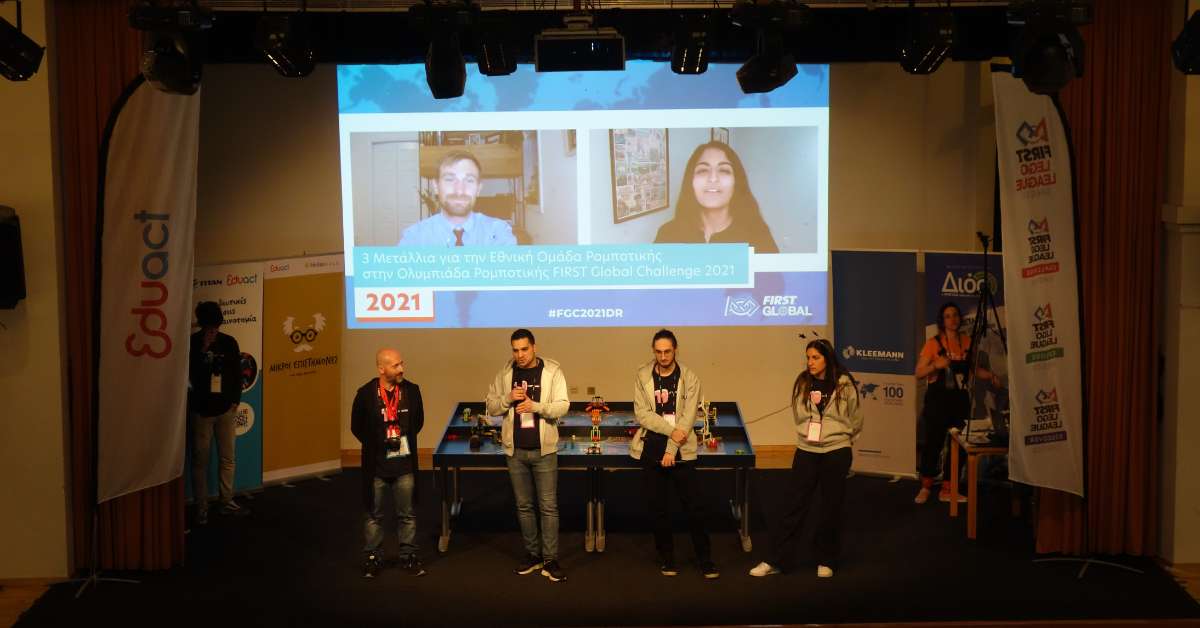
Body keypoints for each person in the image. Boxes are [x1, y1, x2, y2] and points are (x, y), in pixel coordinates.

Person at [749, 339, 863, 579]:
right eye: (808, 357)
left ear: (827, 359)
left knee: (831, 507)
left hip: (836, 451)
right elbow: (798, 416)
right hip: (807, 450)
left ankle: (826, 559)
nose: (810, 362)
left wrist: (842, 439)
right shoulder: (803, 383)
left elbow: (856, 418)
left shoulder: (844, 384)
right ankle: (776, 559)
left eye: (815, 358)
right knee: (793, 505)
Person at [630, 329, 719, 579]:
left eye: (667, 351)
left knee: (694, 508)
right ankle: (667, 559)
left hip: (682, 448)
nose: (663, 356)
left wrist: (671, 447)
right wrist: (671, 432)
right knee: (658, 509)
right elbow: (642, 414)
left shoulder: (690, 378)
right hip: (652, 445)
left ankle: (705, 560)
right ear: (653, 351)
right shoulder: (642, 376)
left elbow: (688, 418)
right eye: (658, 352)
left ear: (675, 350)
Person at [485, 329, 570, 582]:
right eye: (515, 350)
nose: (520, 355)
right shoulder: (505, 373)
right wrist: (507, 398)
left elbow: (563, 405)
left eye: (524, 349)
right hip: (516, 451)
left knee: (548, 507)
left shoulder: (552, 371)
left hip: (544, 450)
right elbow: (491, 406)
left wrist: (536, 407)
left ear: (534, 347)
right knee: (524, 506)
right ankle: (533, 555)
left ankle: (550, 559)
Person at [350, 348, 426, 578]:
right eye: (396, 365)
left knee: (407, 514)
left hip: (404, 465)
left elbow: (418, 422)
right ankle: (373, 556)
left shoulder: (412, 391)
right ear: (381, 369)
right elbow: (356, 427)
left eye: (402, 363)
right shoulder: (365, 394)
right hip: (376, 467)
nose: (402, 369)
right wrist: (377, 445)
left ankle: (408, 555)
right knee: (373, 515)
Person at [913, 302, 997, 504]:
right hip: (937, 401)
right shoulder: (933, 343)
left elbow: (973, 370)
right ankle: (926, 486)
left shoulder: (967, 341)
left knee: (957, 446)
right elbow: (919, 372)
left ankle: (948, 489)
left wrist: (991, 376)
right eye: (948, 316)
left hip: (959, 401)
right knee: (933, 443)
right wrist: (936, 365)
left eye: (955, 315)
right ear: (942, 321)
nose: (953, 319)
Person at [653, 141, 779, 253]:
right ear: (690, 181)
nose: (713, 178)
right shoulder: (667, 234)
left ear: (736, 182)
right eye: (703, 170)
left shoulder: (758, 236)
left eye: (724, 170)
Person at [187, 301, 248, 525]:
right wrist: (203, 349)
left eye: (216, 326)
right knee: (200, 461)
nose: (214, 330)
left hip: (225, 410)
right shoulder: (192, 343)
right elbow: (189, 375)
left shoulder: (229, 342)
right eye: (210, 326)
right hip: (202, 412)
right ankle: (201, 507)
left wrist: (235, 401)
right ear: (202, 324)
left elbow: (237, 374)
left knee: (228, 458)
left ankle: (226, 501)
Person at [398, 150, 517, 246]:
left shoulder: (499, 232)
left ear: (478, 189)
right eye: (450, 179)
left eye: (469, 180)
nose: (459, 190)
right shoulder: (414, 238)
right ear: (436, 186)